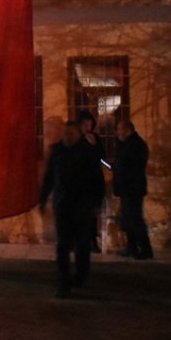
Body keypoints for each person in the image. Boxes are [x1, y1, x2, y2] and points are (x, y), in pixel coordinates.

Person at [39, 120, 106, 298]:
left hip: (82, 205)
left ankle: (81, 275)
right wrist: (43, 199)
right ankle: (64, 282)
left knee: (82, 244)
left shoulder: (88, 152)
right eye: (65, 134)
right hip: (63, 204)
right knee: (63, 245)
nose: (67, 137)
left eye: (70, 134)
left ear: (78, 134)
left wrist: (97, 204)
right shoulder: (57, 151)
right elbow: (49, 178)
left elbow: (97, 180)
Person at [113, 120, 153, 260]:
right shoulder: (128, 144)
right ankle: (132, 247)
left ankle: (145, 249)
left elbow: (132, 166)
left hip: (132, 188)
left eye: (119, 129)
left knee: (135, 219)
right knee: (128, 219)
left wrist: (117, 168)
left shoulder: (135, 145)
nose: (117, 132)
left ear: (127, 130)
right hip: (128, 188)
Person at [76, 110, 106, 253]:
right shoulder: (76, 139)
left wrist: (94, 145)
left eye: (89, 125)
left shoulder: (95, 138)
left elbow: (101, 157)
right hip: (80, 181)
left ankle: (93, 241)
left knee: (92, 214)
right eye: (84, 125)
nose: (87, 128)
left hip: (94, 181)